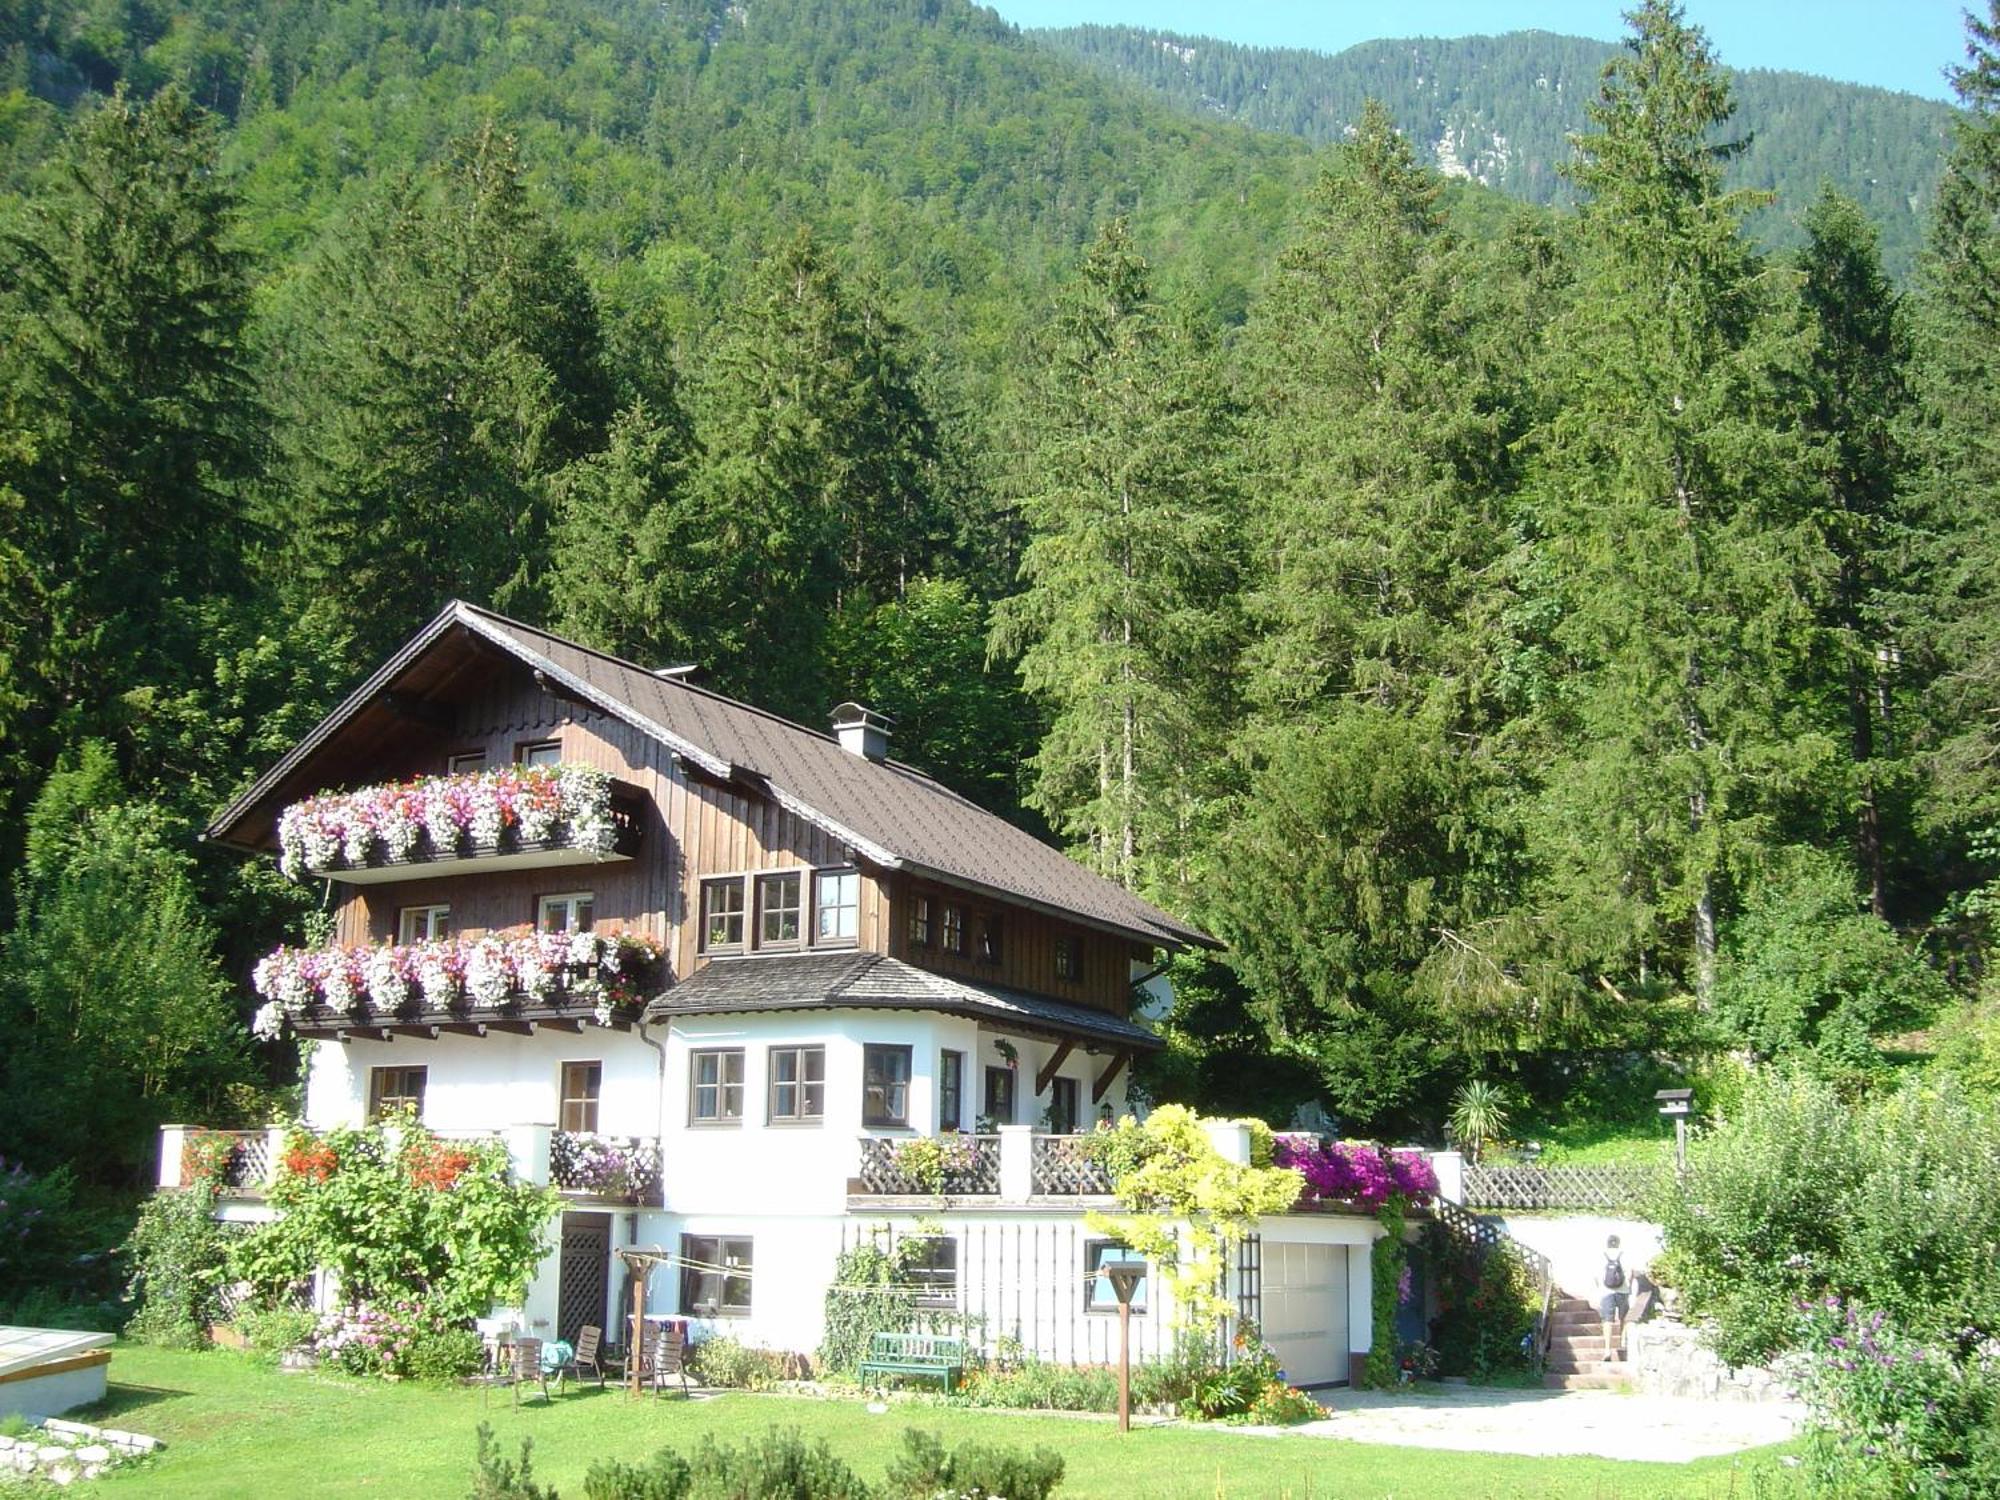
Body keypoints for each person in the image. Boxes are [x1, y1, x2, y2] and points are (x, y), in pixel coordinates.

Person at [1597, 1234, 1631, 1359]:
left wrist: (1600, 1289)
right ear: (1618, 1243)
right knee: (1624, 1318)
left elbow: (1596, 1276)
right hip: (1623, 1290)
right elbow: (1630, 1273)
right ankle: (1623, 1344)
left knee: (1607, 1320)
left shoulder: (1602, 1255)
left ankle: (1607, 1349)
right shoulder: (1624, 1254)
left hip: (1606, 1292)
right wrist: (1628, 1287)